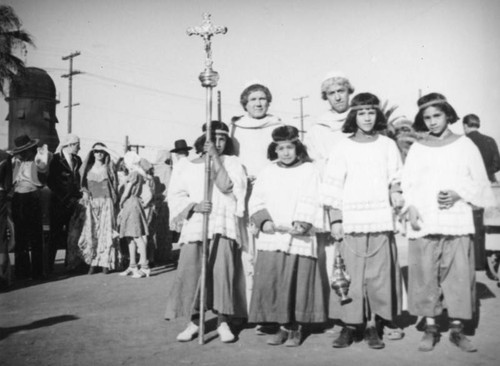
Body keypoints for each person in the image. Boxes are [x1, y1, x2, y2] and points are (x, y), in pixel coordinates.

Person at [402, 93, 495, 353]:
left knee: (457, 275)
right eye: (427, 117)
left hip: (456, 219)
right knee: (425, 274)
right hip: (426, 220)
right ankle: (431, 326)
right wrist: (409, 206)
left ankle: (457, 328)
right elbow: (407, 182)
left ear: (448, 115)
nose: (432, 122)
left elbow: (480, 183)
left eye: (437, 116)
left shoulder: (465, 145)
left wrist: (458, 193)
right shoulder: (418, 148)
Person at [321, 93, 403, 350]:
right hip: (352, 220)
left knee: (379, 275)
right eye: (361, 112)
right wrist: (336, 220)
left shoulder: (388, 145)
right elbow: (332, 186)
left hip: (379, 219)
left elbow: (396, 177)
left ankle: (374, 324)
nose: (367, 117)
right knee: (351, 275)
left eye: (371, 112)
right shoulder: (342, 146)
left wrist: (395, 193)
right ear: (353, 116)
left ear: (377, 115)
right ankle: (349, 324)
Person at [165, 121, 247, 344]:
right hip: (196, 226)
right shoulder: (186, 165)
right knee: (192, 273)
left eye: (222, 139)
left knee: (222, 273)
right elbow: (175, 195)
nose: (218, 143)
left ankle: (223, 322)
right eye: (213, 139)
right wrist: (194, 206)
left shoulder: (232, 162)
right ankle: (194, 321)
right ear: (203, 140)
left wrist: (216, 160)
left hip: (222, 225)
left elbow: (228, 187)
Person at [248, 125, 328, 347]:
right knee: (274, 279)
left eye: (289, 147)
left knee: (296, 280)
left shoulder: (309, 170)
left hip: (298, 234)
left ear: (297, 147)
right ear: (274, 149)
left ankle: (295, 327)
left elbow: (313, 197)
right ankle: (280, 324)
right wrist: (264, 222)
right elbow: (256, 200)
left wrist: (302, 223)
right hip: (273, 234)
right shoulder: (268, 171)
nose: (285, 152)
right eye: (280, 148)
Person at [230, 83, 282, 322]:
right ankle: (245, 309)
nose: (259, 103)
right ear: (245, 104)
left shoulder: (277, 125)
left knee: (268, 247)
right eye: (253, 100)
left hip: (270, 193)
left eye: (263, 99)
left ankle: (270, 308)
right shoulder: (235, 128)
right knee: (245, 250)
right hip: (242, 193)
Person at [67, 143, 119, 274]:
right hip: (92, 204)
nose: (99, 154)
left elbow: (119, 158)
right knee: (92, 233)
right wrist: (84, 191)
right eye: (96, 151)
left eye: (101, 151)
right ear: (92, 153)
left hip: (107, 203)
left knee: (105, 234)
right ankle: (92, 263)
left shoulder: (109, 167)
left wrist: (106, 149)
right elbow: (81, 184)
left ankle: (105, 263)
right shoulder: (86, 167)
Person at [462, 114, 500, 276]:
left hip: (471, 185)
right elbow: (497, 164)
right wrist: (486, 174)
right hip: (490, 185)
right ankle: (488, 260)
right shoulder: (490, 140)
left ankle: (474, 262)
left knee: (472, 223)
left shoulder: (464, 142)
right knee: (489, 225)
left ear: (465, 125)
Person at [47, 134, 82, 274]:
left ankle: (70, 264)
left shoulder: (78, 160)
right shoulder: (55, 159)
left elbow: (78, 180)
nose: (79, 147)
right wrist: (65, 198)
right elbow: (51, 181)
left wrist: (78, 196)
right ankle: (48, 267)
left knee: (71, 234)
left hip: (74, 204)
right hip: (58, 203)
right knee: (54, 234)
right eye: (77, 144)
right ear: (69, 145)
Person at [305, 72, 354, 170]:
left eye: (341, 91)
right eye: (331, 93)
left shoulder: (362, 120)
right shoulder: (317, 129)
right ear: (325, 96)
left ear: (349, 91)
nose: (337, 98)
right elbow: (312, 163)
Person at [118, 151, 151, 278]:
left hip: (131, 203)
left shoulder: (134, 174)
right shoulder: (138, 174)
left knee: (137, 236)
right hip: (132, 204)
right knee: (130, 236)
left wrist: (121, 201)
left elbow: (126, 192)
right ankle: (133, 265)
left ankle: (145, 266)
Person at [0, 149, 12, 290]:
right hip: (0, 197)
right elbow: (8, 184)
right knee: (1, 236)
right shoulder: (5, 156)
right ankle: (2, 277)